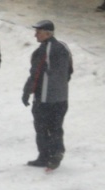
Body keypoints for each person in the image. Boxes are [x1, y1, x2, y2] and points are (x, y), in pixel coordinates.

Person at [22, 20, 73, 171]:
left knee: (43, 127)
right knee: (55, 127)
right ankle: (51, 154)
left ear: (47, 34)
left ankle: (49, 155)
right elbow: (70, 70)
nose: (35, 35)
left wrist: (27, 91)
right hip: (61, 97)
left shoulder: (43, 51)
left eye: (38, 32)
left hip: (45, 99)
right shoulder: (63, 47)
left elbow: (35, 74)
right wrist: (60, 86)